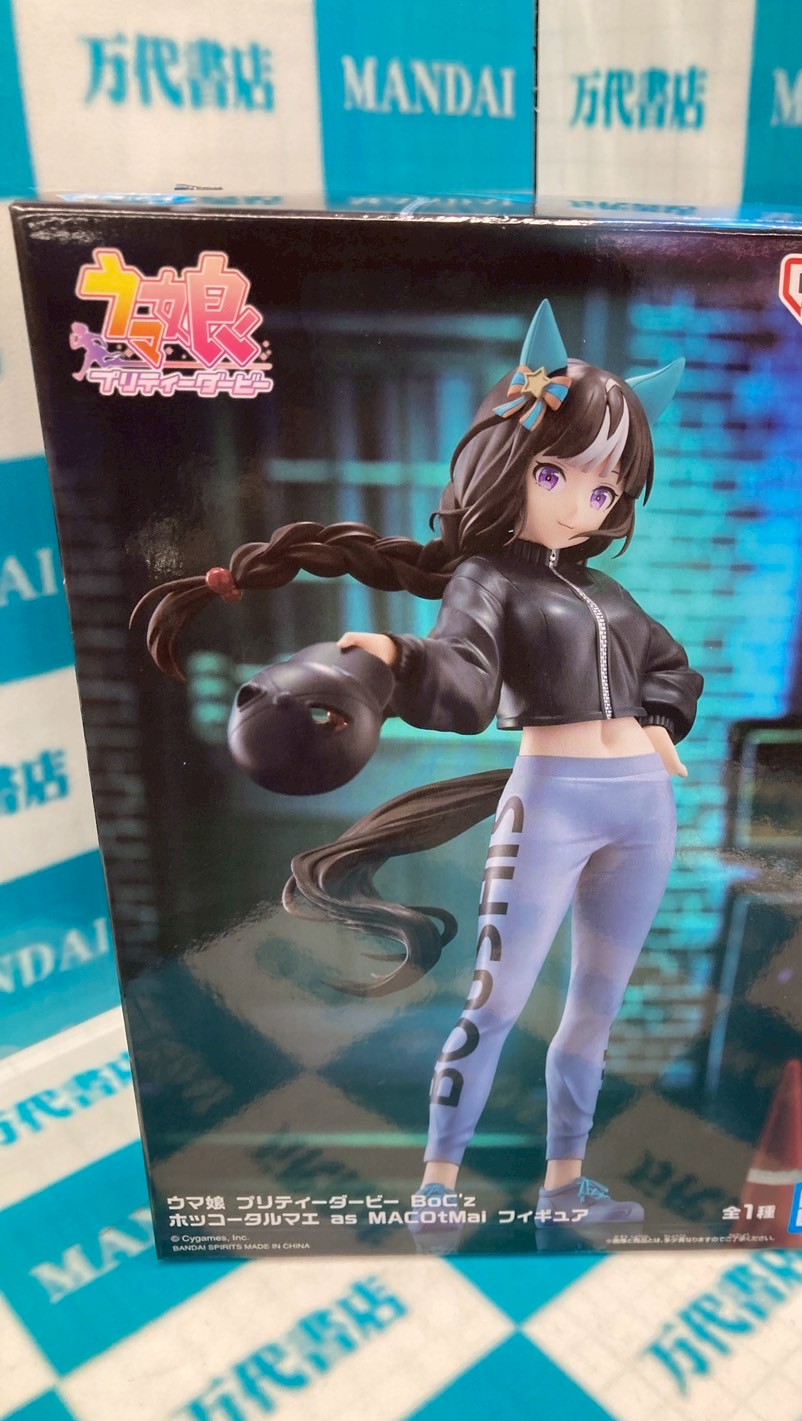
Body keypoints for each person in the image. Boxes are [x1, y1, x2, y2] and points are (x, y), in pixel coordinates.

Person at [133, 300, 702, 1242]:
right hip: (553, 801)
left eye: (604, 489)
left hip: (643, 811)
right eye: (557, 473)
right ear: (509, 463)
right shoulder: (489, 581)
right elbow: (469, 685)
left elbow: (672, 665)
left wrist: (659, 721)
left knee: (595, 1011)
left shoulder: (612, 594)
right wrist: (402, 655)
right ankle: (437, 1185)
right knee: (497, 1002)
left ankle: (565, 1185)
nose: (581, 502)